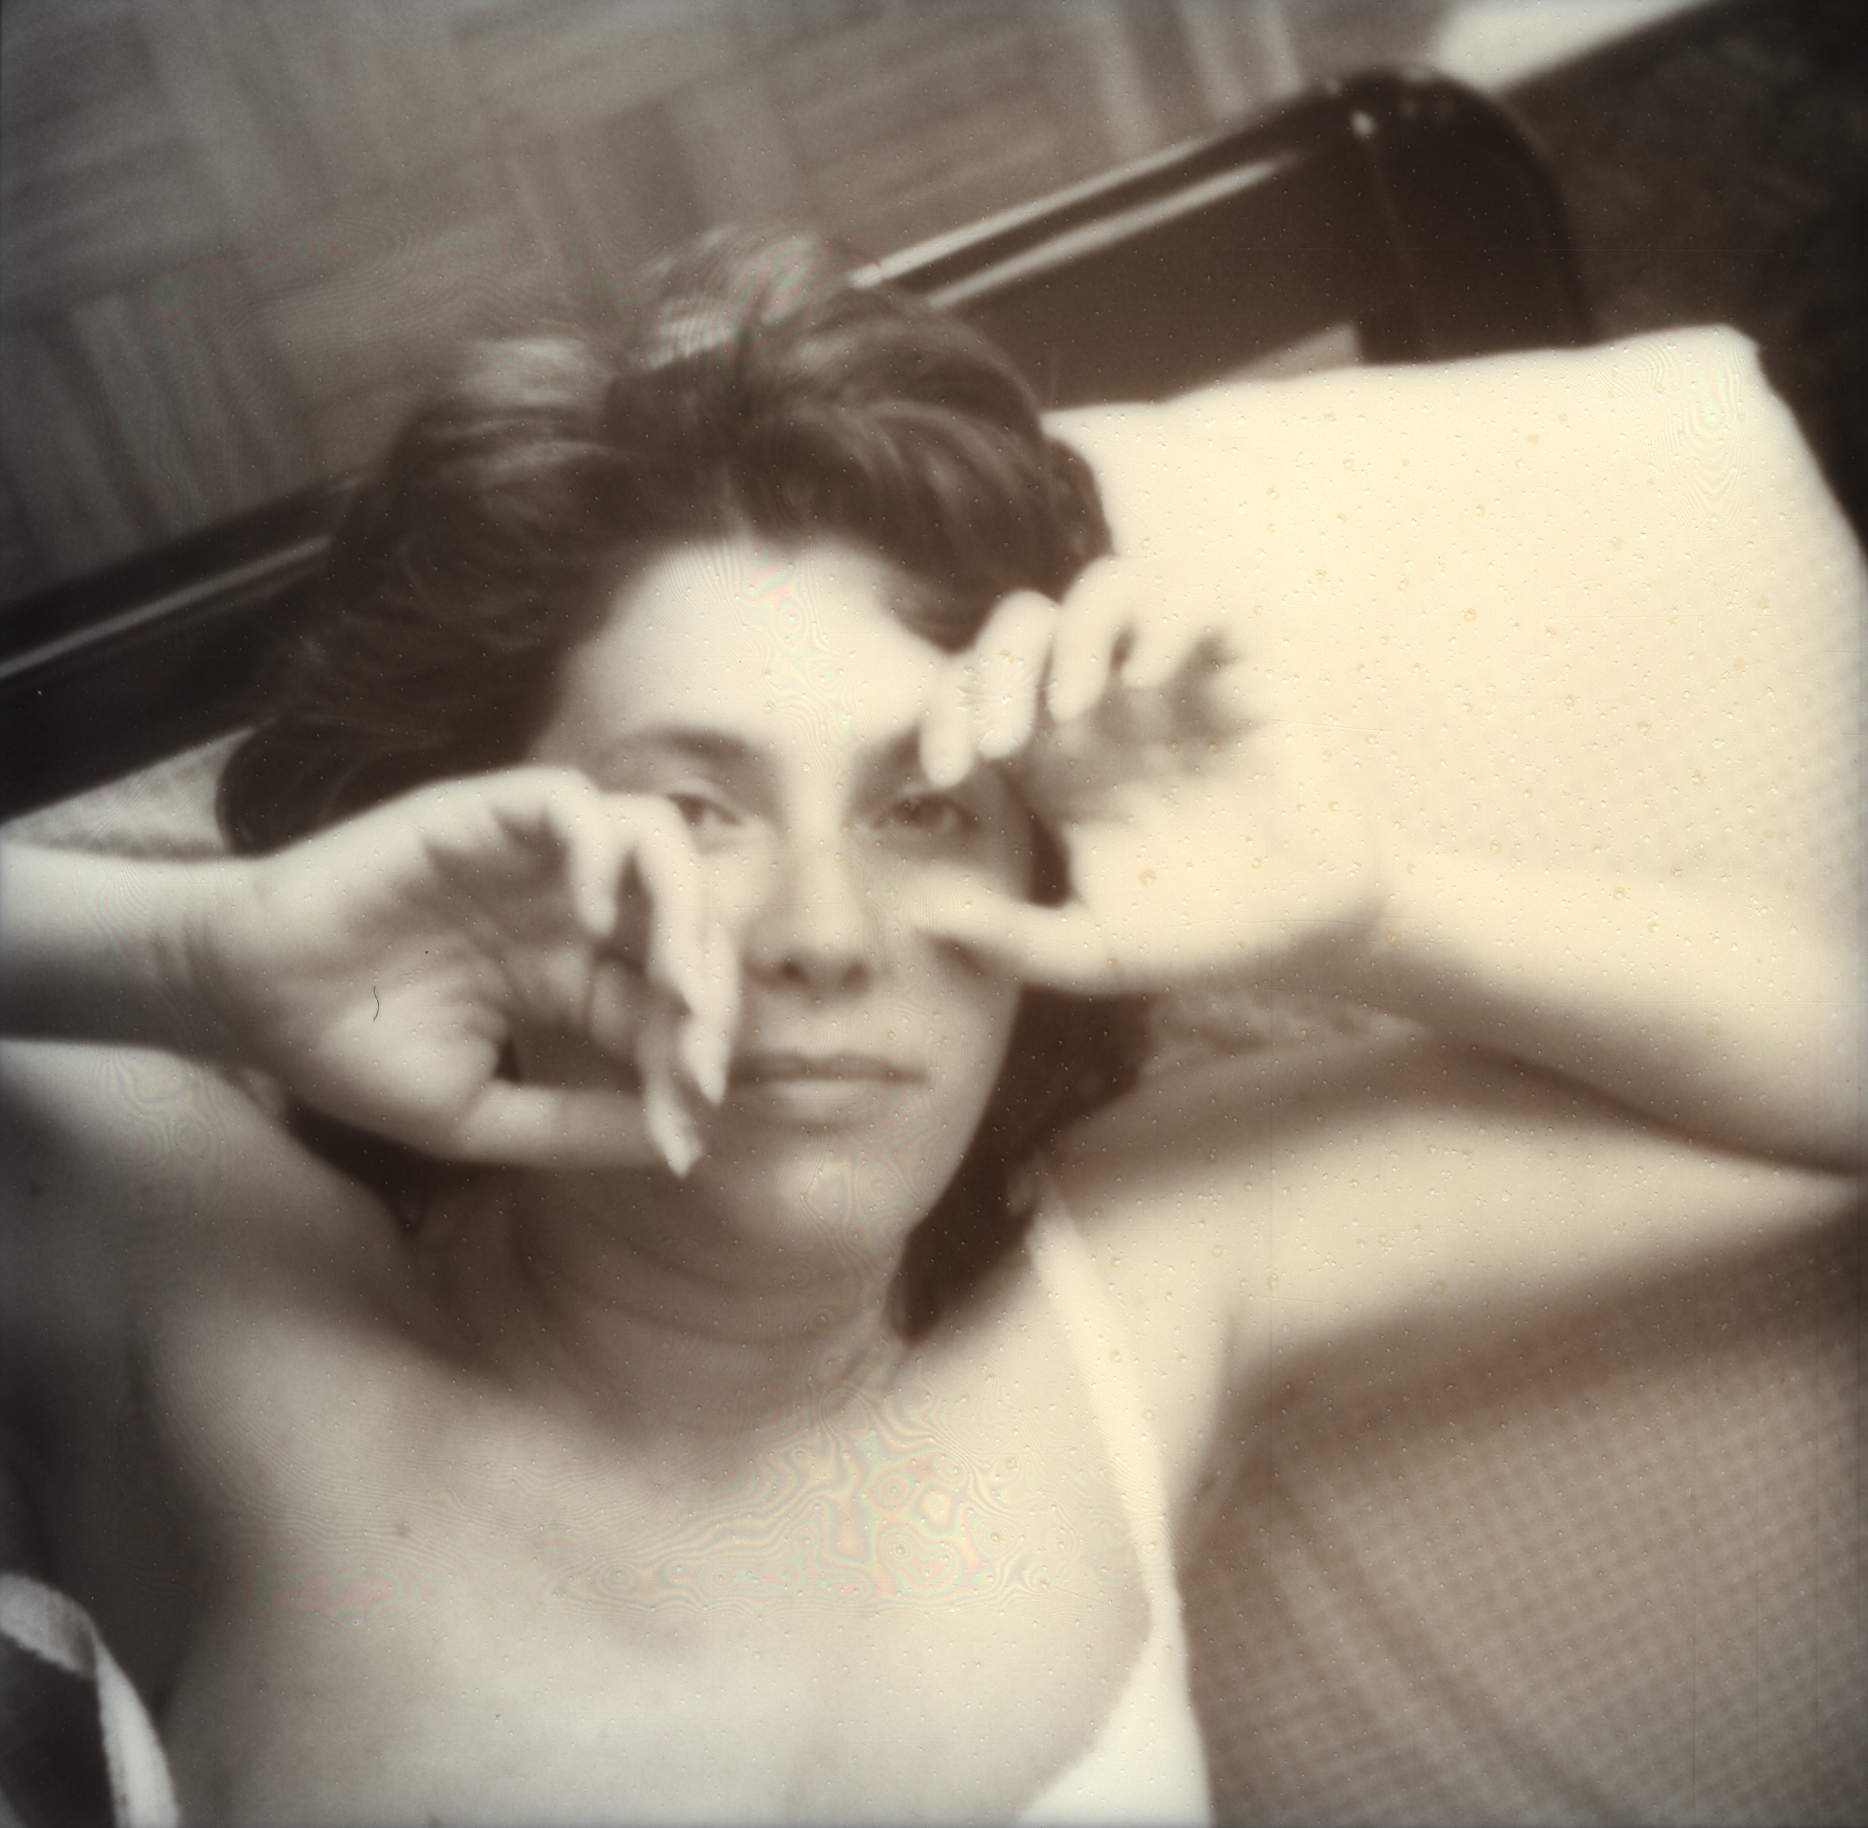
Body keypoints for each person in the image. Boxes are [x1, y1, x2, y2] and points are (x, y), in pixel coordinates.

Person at [0, 231, 1858, 1826]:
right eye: (692, 812)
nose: (823, 937)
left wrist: (1363, 908)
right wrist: (204, 954)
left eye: (921, 810)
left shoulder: (1132, 1295)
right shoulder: (204, 1284)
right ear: (457, 850)